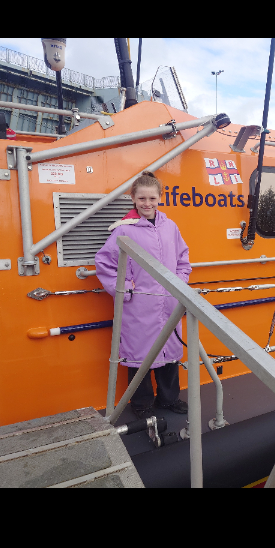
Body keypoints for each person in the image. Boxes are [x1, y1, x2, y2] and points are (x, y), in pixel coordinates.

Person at [95, 171, 191, 417]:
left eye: (152, 198)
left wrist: (178, 285)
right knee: (140, 357)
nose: (147, 203)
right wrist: (126, 289)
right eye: (142, 199)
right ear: (133, 199)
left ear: (160, 198)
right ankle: (141, 404)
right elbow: (105, 263)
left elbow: (183, 260)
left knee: (170, 353)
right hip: (138, 306)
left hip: (169, 303)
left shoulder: (170, 227)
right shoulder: (123, 231)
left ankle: (169, 399)